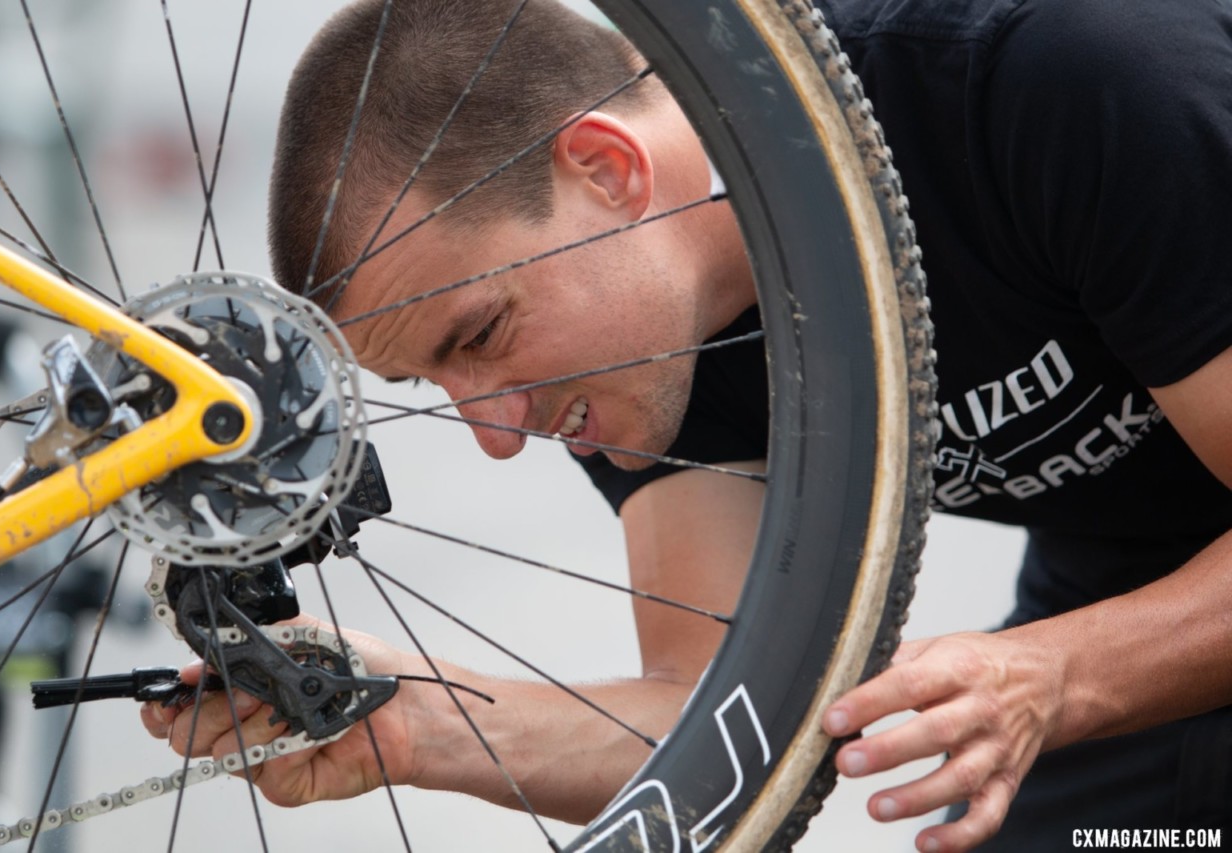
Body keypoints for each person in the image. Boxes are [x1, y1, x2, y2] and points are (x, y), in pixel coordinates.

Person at [141, 0, 1232, 850]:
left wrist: (1049, 675)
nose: (497, 431)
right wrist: (410, 722)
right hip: (1135, 585)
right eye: (437, 385)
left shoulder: (1056, 81)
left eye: (476, 336)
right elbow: (722, 722)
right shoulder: (646, 352)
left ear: (607, 169)